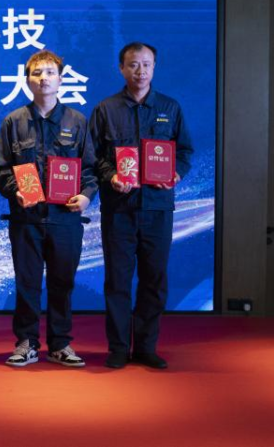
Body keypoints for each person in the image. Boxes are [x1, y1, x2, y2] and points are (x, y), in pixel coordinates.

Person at [89, 42, 193, 370]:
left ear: (154, 67)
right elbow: (93, 157)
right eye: (133, 64)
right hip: (119, 209)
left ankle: (147, 347)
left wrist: (176, 173)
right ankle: (119, 348)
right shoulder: (106, 109)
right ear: (121, 68)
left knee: (154, 279)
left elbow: (185, 151)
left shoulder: (170, 107)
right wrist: (111, 176)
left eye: (146, 64)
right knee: (117, 280)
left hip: (157, 209)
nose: (140, 71)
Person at [0, 49, 96, 369]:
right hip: (26, 219)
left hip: (66, 219)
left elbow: (90, 169)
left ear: (61, 79)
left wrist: (86, 196)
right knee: (27, 283)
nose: (43, 78)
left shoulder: (77, 121)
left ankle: (60, 343)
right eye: (37, 73)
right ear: (27, 80)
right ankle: (26, 342)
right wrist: (16, 193)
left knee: (63, 283)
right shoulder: (14, 121)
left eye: (50, 72)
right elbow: (2, 170)